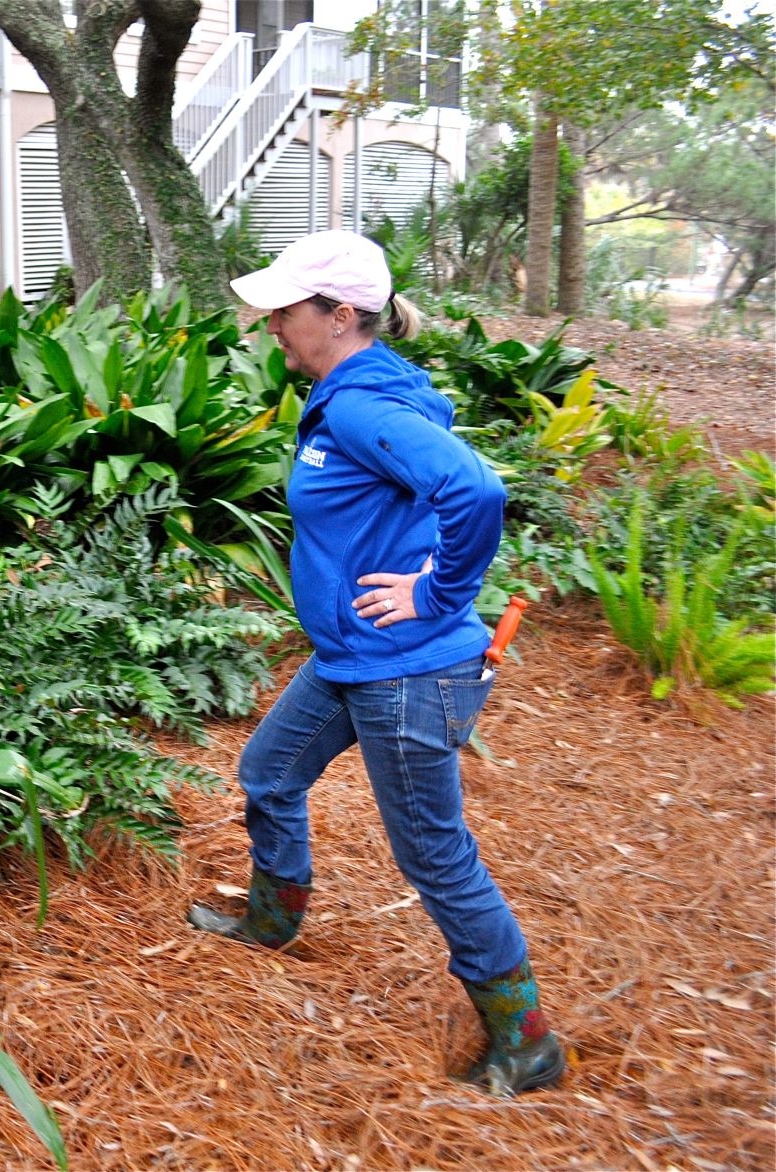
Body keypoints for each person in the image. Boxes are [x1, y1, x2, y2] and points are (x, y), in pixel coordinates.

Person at [187, 229, 563, 1098]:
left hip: (406, 671)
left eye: (285, 309)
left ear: (341, 314)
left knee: (435, 855)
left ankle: (527, 1038)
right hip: (352, 660)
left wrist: (435, 594)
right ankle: (273, 919)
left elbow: (475, 490)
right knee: (269, 771)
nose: (271, 324)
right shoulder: (350, 393)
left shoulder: (360, 407)